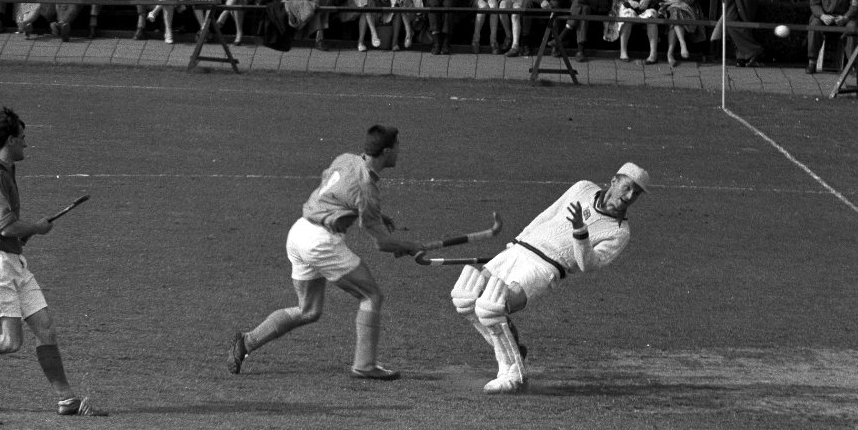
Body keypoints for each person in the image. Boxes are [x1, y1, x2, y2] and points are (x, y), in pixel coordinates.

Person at [226, 125, 425, 381]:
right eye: (398, 147)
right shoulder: (367, 189)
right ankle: (364, 365)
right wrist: (409, 246)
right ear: (386, 151)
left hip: (298, 232)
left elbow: (334, 193)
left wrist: (371, 214)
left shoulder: (346, 159)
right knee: (371, 295)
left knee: (308, 310)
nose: (400, 151)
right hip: (320, 242)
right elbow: (382, 243)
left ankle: (246, 342)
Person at [449, 161, 649, 394]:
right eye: (627, 187)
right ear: (614, 181)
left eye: (636, 193)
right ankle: (514, 350)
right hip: (519, 249)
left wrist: (580, 232)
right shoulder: (583, 188)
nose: (629, 196)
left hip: (545, 267)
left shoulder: (619, 232)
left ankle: (513, 375)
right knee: (465, 297)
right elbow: (547, 215)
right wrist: (514, 243)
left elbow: (588, 265)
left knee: (491, 307)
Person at [0, 107, 106, 416]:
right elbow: (5, 227)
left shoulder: (3, 170)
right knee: (9, 342)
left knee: (46, 328)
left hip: (12, 260)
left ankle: (66, 399)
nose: (26, 145)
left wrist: (23, 236)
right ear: (11, 139)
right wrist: (37, 228)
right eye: (23, 138)